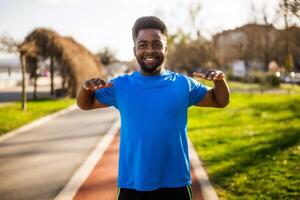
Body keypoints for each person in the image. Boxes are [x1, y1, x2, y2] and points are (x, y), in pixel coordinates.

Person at [76, 16, 230, 200]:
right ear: (135, 50)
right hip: (133, 184)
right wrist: (86, 89)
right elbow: (85, 104)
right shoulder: (120, 85)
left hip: (176, 183)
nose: (150, 50)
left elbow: (220, 101)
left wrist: (220, 82)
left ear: (166, 48)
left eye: (157, 44)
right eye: (143, 45)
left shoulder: (183, 84)